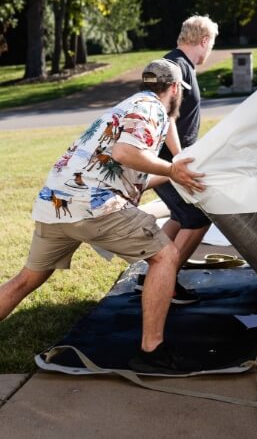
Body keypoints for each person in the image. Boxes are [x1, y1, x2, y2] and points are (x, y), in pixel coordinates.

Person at [0, 59, 206, 373]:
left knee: (25, 280)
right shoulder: (151, 108)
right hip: (92, 206)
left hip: (56, 203)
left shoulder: (128, 106)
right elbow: (125, 154)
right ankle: (153, 351)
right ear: (175, 89)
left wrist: (173, 174)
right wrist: (173, 167)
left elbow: (126, 173)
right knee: (166, 256)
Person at [152, 15, 218, 304]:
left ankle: (152, 275)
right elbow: (164, 114)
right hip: (165, 164)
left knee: (180, 217)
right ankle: (163, 282)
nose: (210, 51)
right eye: (211, 45)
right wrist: (178, 158)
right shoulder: (176, 67)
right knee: (196, 218)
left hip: (167, 163)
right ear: (204, 40)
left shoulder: (177, 64)